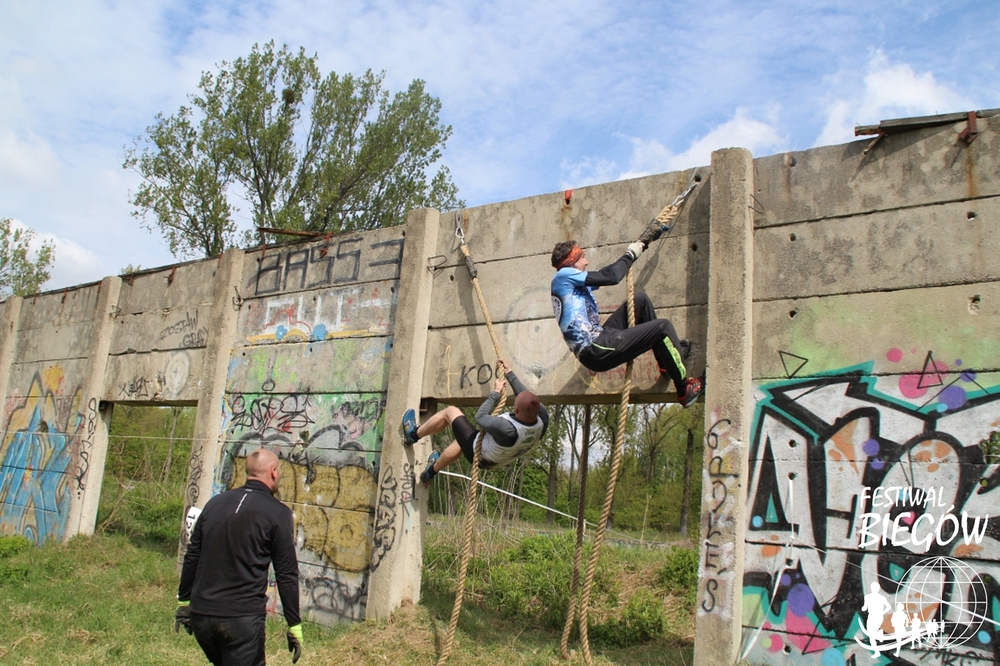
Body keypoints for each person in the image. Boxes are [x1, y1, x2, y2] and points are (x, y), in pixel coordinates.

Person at [175, 448, 303, 665]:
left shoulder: (214, 503)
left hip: (202, 616)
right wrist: (294, 625)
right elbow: (286, 573)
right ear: (273, 472)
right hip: (240, 621)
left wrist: (184, 602)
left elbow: (192, 555)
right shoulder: (278, 513)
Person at [549, 235, 703, 407]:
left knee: (640, 301)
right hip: (595, 349)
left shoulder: (569, 283)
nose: (586, 262)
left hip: (599, 338)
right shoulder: (563, 276)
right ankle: (684, 390)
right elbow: (612, 277)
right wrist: (630, 255)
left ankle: (666, 363)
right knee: (663, 327)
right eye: (582, 257)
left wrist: (641, 246)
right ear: (571, 262)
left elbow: (605, 273)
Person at [402, 360, 549, 483]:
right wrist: (509, 374)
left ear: (516, 410)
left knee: (450, 412)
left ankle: (412, 434)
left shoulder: (508, 429)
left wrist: (495, 393)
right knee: (461, 440)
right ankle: (430, 472)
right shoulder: (542, 419)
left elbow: (480, 417)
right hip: (497, 460)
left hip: (479, 454)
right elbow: (525, 396)